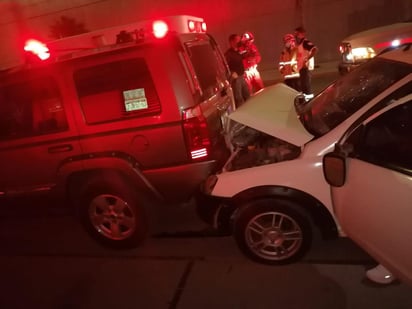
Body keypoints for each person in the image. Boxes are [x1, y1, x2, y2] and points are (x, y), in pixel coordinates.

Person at [225, 34, 250, 108]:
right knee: (238, 98)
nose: (240, 41)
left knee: (247, 96)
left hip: (242, 77)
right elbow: (224, 67)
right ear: (232, 42)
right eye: (238, 40)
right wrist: (232, 73)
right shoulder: (228, 54)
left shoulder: (239, 51)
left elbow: (246, 55)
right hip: (236, 80)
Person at [294, 26, 318, 98]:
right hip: (302, 68)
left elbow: (314, 49)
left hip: (305, 68)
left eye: (297, 34)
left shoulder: (305, 42)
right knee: (304, 87)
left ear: (302, 34)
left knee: (307, 88)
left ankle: (309, 103)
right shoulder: (300, 44)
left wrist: (307, 59)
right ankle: (306, 103)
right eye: (295, 34)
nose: (296, 36)